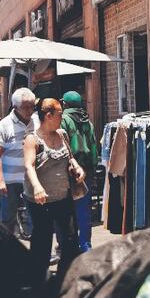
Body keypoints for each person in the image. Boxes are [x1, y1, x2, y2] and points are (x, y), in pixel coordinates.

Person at [23, 98, 84, 280]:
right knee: (42, 242)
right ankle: (38, 282)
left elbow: (70, 157)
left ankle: (66, 279)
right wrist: (37, 187)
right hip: (41, 201)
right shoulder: (32, 139)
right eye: (59, 114)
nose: (61, 117)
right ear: (48, 116)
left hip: (63, 197)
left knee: (70, 241)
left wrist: (77, 167)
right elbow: (29, 165)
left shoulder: (62, 134)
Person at [0, 87, 38, 234]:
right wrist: (0, 180)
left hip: (31, 178)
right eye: (26, 107)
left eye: (32, 106)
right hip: (10, 179)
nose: (30, 110)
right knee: (8, 218)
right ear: (15, 107)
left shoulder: (36, 122)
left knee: (35, 216)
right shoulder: (4, 125)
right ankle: (7, 250)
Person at [60, 90, 99, 252]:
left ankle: (69, 244)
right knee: (84, 209)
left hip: (69, 168)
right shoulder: (87, 122)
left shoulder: (63, 120)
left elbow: (62, 145)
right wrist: (94, 167)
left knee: (66, 209)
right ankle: (85, 244)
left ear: (66, 104)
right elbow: (94, 145)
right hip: (86, 170)